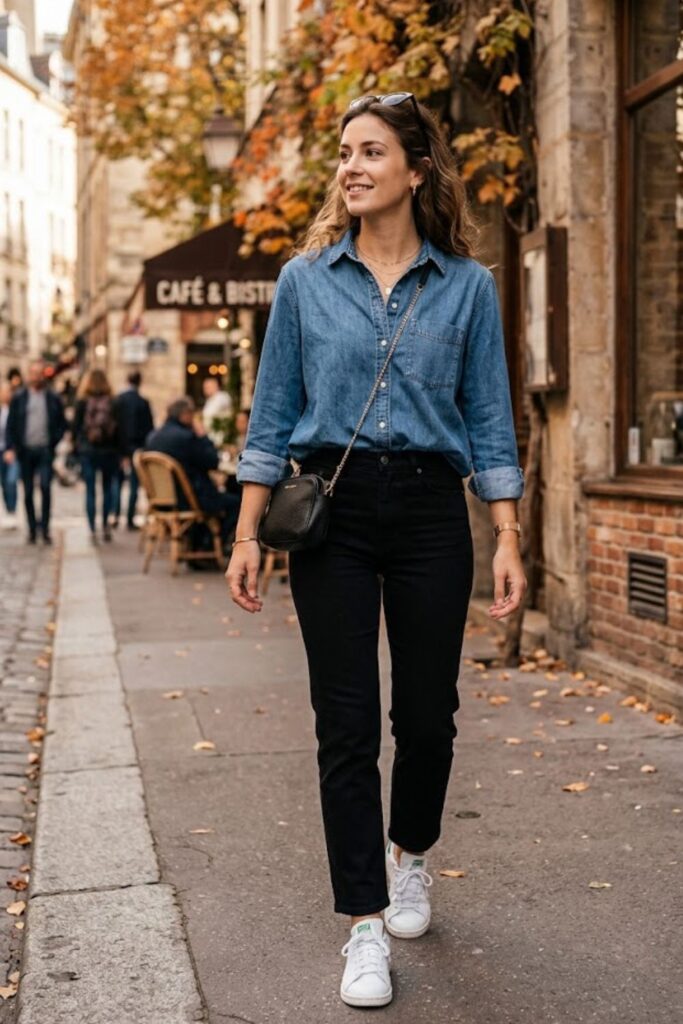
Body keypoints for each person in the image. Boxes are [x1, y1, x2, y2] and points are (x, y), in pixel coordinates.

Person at [226, 93, 526, 1008]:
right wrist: (245, 532)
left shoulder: (467, 286)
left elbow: (487, 419)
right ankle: (362, 923)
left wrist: (507, 533)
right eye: (344, 152)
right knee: (345, 722)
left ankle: (411, 859)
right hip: (334, 512)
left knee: (427, 715)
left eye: (371, 151)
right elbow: (273, 414)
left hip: (435, 511)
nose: (351, 166)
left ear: (415, 168)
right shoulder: (303, 281)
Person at [145, 397, 240, 545]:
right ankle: (211, 546)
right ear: (185, 415)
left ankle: (199, 547)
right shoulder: (186, 437)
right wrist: (202, 435)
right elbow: (212, 461)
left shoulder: (153, 437)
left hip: (163, 500)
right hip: (190, 498)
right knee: (237, 503)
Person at [4, 359, 66, 544]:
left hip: (45, 450)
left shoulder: (52, 397)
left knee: (46, 487)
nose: (36, 377)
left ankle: (45, 528)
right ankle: (32, 529)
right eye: (33, 373)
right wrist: (10, 447)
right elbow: (11, 425)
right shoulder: (20, 398)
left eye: (39, 373)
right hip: (25, 451)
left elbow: (61, 423)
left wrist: (54, 441)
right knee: (29, 491)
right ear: (29, 375)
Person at [72, 368, 122, 543]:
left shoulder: (82, 402)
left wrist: (76, 448)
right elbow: (119, 430)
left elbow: (76, 428)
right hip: (109, 451)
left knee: (91, 490)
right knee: (108, 488)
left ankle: (92, 528)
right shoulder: (114, 402)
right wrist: (121, 453)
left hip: (88, 451)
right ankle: (106, 525)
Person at [112, 371, 154, 530]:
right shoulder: (142, 402)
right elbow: (149, 428)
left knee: (117, 482)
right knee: (134, 485)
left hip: (120, 447)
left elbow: (114, 425)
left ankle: (115, 515)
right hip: (137, 447)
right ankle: (129, 518)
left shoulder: (119, 400)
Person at [0, 382, 19, 529]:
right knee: (3, 482)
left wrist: (12, 449)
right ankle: (8, 508)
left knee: (11, 481)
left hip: (12, 451)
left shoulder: (16, 409)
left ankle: (12, 509)